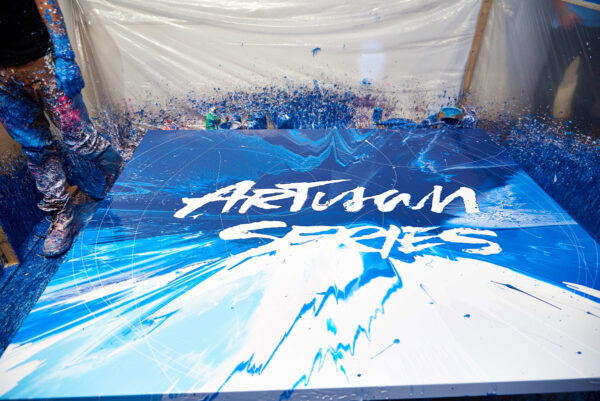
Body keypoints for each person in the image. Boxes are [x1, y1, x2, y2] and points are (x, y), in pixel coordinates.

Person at [0, 0, 123, 257]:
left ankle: (122, 177)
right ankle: (63, 217)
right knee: (35, 150)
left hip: (41, 60)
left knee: (80, 139)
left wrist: (65, 56)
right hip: (2, 79)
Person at [535, 0, 600, 137]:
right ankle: (537, 124)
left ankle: (579, 131)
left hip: (596, 29)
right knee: (552, 76)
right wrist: (563, 11)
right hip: (569, 22)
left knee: (590, 82)